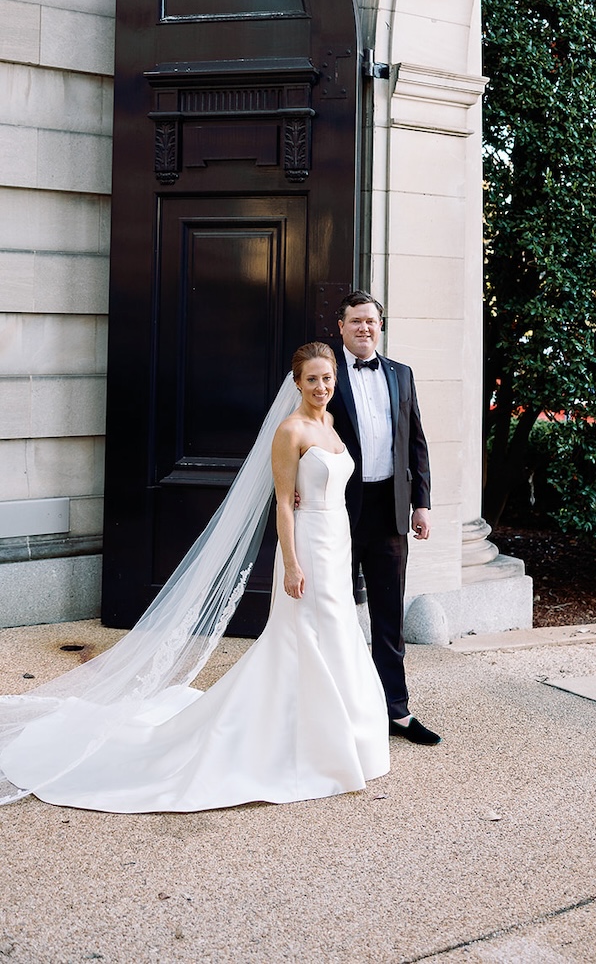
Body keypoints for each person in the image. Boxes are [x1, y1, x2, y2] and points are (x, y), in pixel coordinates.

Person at [0, 344, 389, 811]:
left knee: (337, 628)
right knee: (304, 630)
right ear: (297, 383)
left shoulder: (329, 424)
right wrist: (290, 563)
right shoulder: (290, 431)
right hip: (307, 544)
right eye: (312, 380)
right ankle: (301, 739)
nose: (322, 387)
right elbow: (284, 503)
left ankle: (339, 730)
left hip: (336, 537)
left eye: (327, 378)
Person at [328, 291, 441, 745]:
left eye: (370, 321)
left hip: (391, 511)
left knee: (388, 615)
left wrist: (422, 503)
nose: (363, 328)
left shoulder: (402, 374)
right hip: (339, 509)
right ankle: (339, 710)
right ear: (341, 327)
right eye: (355, 321)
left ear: (380, 325)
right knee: (334, 610)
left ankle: (396, 712)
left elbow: (417, 441)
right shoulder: (326, 375)